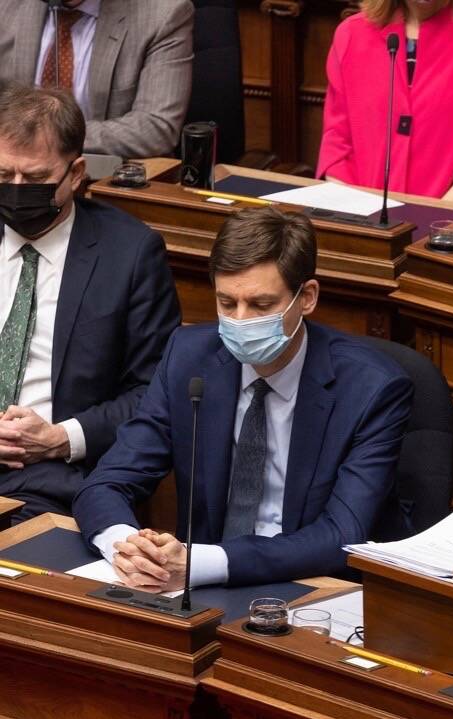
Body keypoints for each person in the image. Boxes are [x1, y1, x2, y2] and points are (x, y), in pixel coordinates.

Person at [73, 207, 413, 590]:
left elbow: (342, 534)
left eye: (261, 305)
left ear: (307, 298)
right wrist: (127, 547)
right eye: (227, 303)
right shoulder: (188, 358)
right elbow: (107, 483)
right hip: (203, 584)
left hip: (321, 587)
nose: (239, 320)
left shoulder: (372, 388)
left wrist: (199, 562)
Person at [0, 84, 179, 522]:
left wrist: (62, 437)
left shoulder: (130, 254)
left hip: (50, 480)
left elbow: (155, 391)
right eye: (4, 177)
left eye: (37, 178)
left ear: (76, 173)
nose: (17, 189)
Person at [317, 0, 453, 223]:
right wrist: (357, 224)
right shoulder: (351, 33)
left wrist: (429, 226)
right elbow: (337, 147)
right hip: (364, 227)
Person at [0, 0, 193, 159]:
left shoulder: (162, 14)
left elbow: (156, 128)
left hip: (106, 179)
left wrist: (47, 136)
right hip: (10, 168)